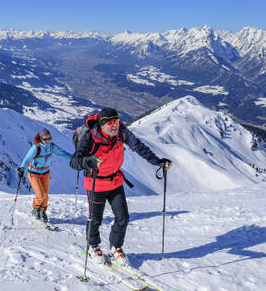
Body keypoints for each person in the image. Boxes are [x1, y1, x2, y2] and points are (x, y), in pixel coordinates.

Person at [70, 108, 172, 266]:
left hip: (115, 181)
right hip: (96, 184)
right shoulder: (91, 137)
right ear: (102, 125)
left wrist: (157, 161)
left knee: (123, 217)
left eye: (116, 122)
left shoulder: (121, 132)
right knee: (95, 219)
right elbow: (74, 161)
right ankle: (93, 246)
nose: (115, 126)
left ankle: (115, 247)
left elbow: (139, 147)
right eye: (110, 123)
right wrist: (87, 161)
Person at [18, 128, 72, 223]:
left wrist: (74, 159)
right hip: (34, 173)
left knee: (45, 195)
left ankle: (42, 212)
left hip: (45, 173)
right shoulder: (36, 148)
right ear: (40, 138)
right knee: (40, 195)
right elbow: (27, 158)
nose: (47, 141)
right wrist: (22, 168)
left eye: (49, 138)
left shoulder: (51, 147)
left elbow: (62, 153)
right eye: (45, 139)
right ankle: (35, 209)